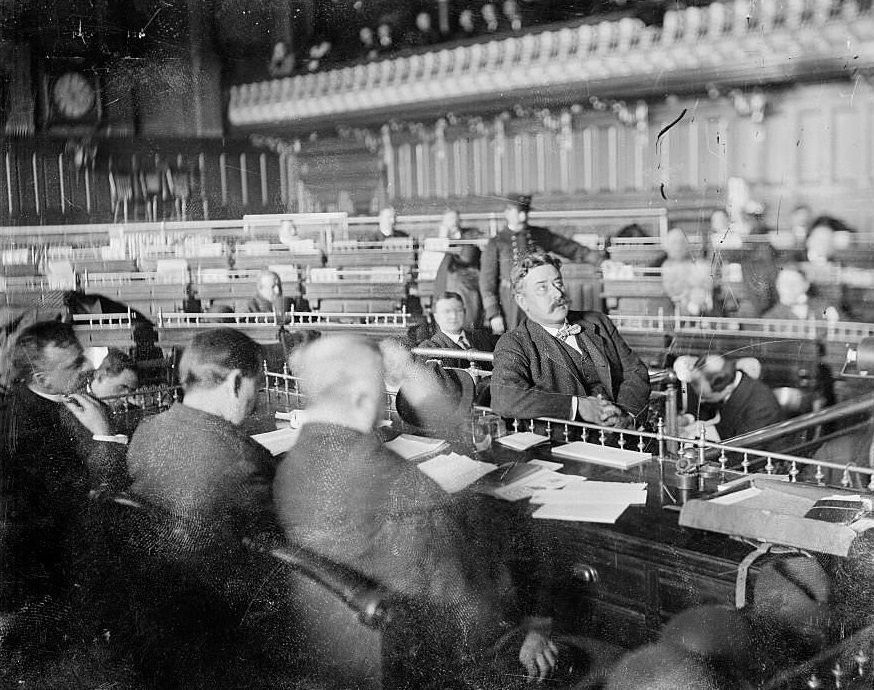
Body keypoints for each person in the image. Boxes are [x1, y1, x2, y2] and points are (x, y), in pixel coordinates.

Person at [274, 335, 566, 684]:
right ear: (365, 397)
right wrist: (535, 622)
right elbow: (467, 588)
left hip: (349, 659)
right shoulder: (394, 481)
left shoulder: (293, 464)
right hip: (439, 660)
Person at [1, 321, 128, 611]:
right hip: (51, 575)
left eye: (82, 357)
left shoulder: (74, 400)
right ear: (42, 378)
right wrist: (106, 437)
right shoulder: (23, 426)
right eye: (74, 364)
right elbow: (82, 498)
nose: (87, 367)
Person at [126, 328, 276, 539]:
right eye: (257, 385)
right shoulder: (247, 462)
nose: (256, 401)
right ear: (237, 382)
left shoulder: (144, 431)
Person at [491, 252, 650, 426]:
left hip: (620, 438)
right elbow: (504, 397)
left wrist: (626, 415)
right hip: (565, 444)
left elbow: (635, 370)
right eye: (542, 287)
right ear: (522, 301)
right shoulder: (515, 342)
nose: (557, 293)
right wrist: (577, 406)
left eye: (558, 283)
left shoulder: (598, 321)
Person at [480, 193, 600, 334]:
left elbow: (570, 248)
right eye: (519, 212)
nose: (524, 217)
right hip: (511, 303)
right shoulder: (497, 242)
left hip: (541, 296)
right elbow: (486, 281)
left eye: (525, 212)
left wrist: (600, 260)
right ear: (507, 212)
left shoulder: (539, 235)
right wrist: (494, 313)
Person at [685, 354, 783, 443]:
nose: (701, 401)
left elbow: (743, 455)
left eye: (706, 397)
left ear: (727, 388)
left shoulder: (760, 407)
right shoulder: (730, 382)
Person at [433, 208, 484, 330]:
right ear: (443, 223)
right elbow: (433, 262)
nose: (453, 222)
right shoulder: (438, 240)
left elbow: (469, 256)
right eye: (450, 219)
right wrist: (443, 238)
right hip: (444, 282)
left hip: (466, 282)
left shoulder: (470, 234)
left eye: (456, 219)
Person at [418, 291, 495, 370]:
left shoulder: (481, 337)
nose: (453, 316)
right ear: (436, 317)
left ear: (464, 312)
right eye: (447, 311)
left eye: (459, 311)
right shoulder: (429, 349)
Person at [761, 266, 843, 322]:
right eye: (782, 283)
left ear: (806, 285)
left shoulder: (824, 307)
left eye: (793, 283)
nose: (787, 288)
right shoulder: (770, 318)